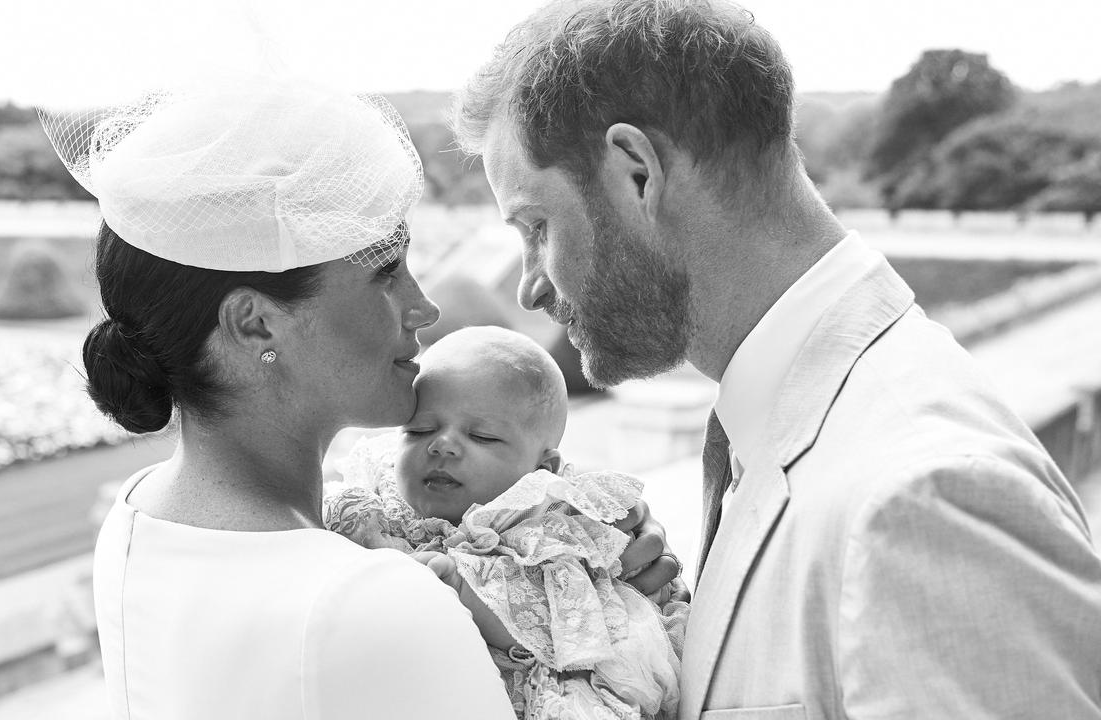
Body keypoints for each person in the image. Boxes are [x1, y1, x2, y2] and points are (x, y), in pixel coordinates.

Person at [453, 1, 1101, 718]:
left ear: (636, 173)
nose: (529, 285)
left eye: (536, 226)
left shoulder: (923, 497)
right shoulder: (808, 427)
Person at [42, 76, 679, 719]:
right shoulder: (381, 601)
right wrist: (608, 632)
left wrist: (567, 549)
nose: (423, 308)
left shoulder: (141, 515)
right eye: (385, 273)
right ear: (256, 324)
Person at [324, 326, 688, 718]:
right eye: (419, 430)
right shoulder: (374, 505)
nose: (442, 444)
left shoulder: (545, 531)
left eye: (482, 436)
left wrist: (462, 591)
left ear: (541, 469)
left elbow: (558, 630)